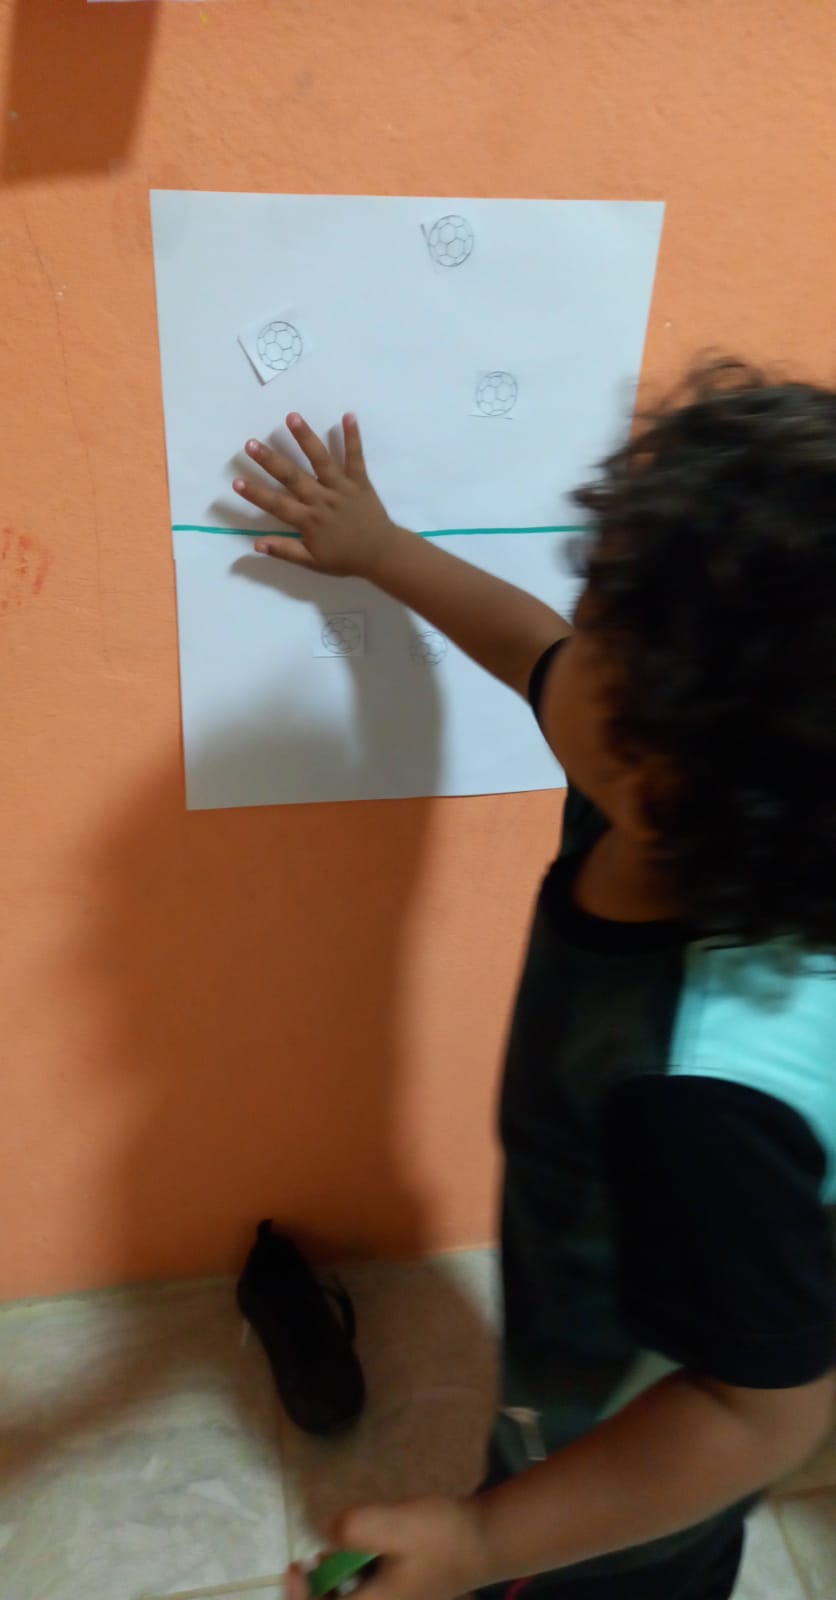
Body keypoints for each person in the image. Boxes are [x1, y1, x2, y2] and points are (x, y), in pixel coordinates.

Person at [233, 359, 836, 1600]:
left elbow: (761, 1412)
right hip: (589, 1315)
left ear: (671, 769)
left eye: (604, 632)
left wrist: (487, 1544)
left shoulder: (703, 1098)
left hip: (642, 1463)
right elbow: (532, 652)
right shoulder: (678, 805)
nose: (574, 641)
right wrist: (381, 549)